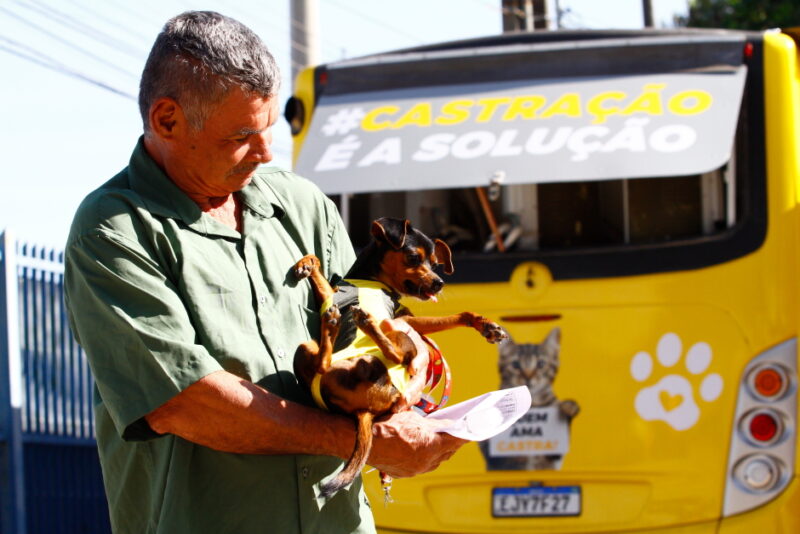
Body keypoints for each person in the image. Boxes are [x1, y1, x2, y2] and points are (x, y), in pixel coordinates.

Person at [64, 11, 465, 534]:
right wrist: (359, 441)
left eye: (268, 129)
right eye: (241, 135)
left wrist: (405, 401)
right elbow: (191, 404)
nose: (266, 152)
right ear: (167, 120)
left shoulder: (299, 204)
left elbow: (362, 331)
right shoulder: (113, 232)